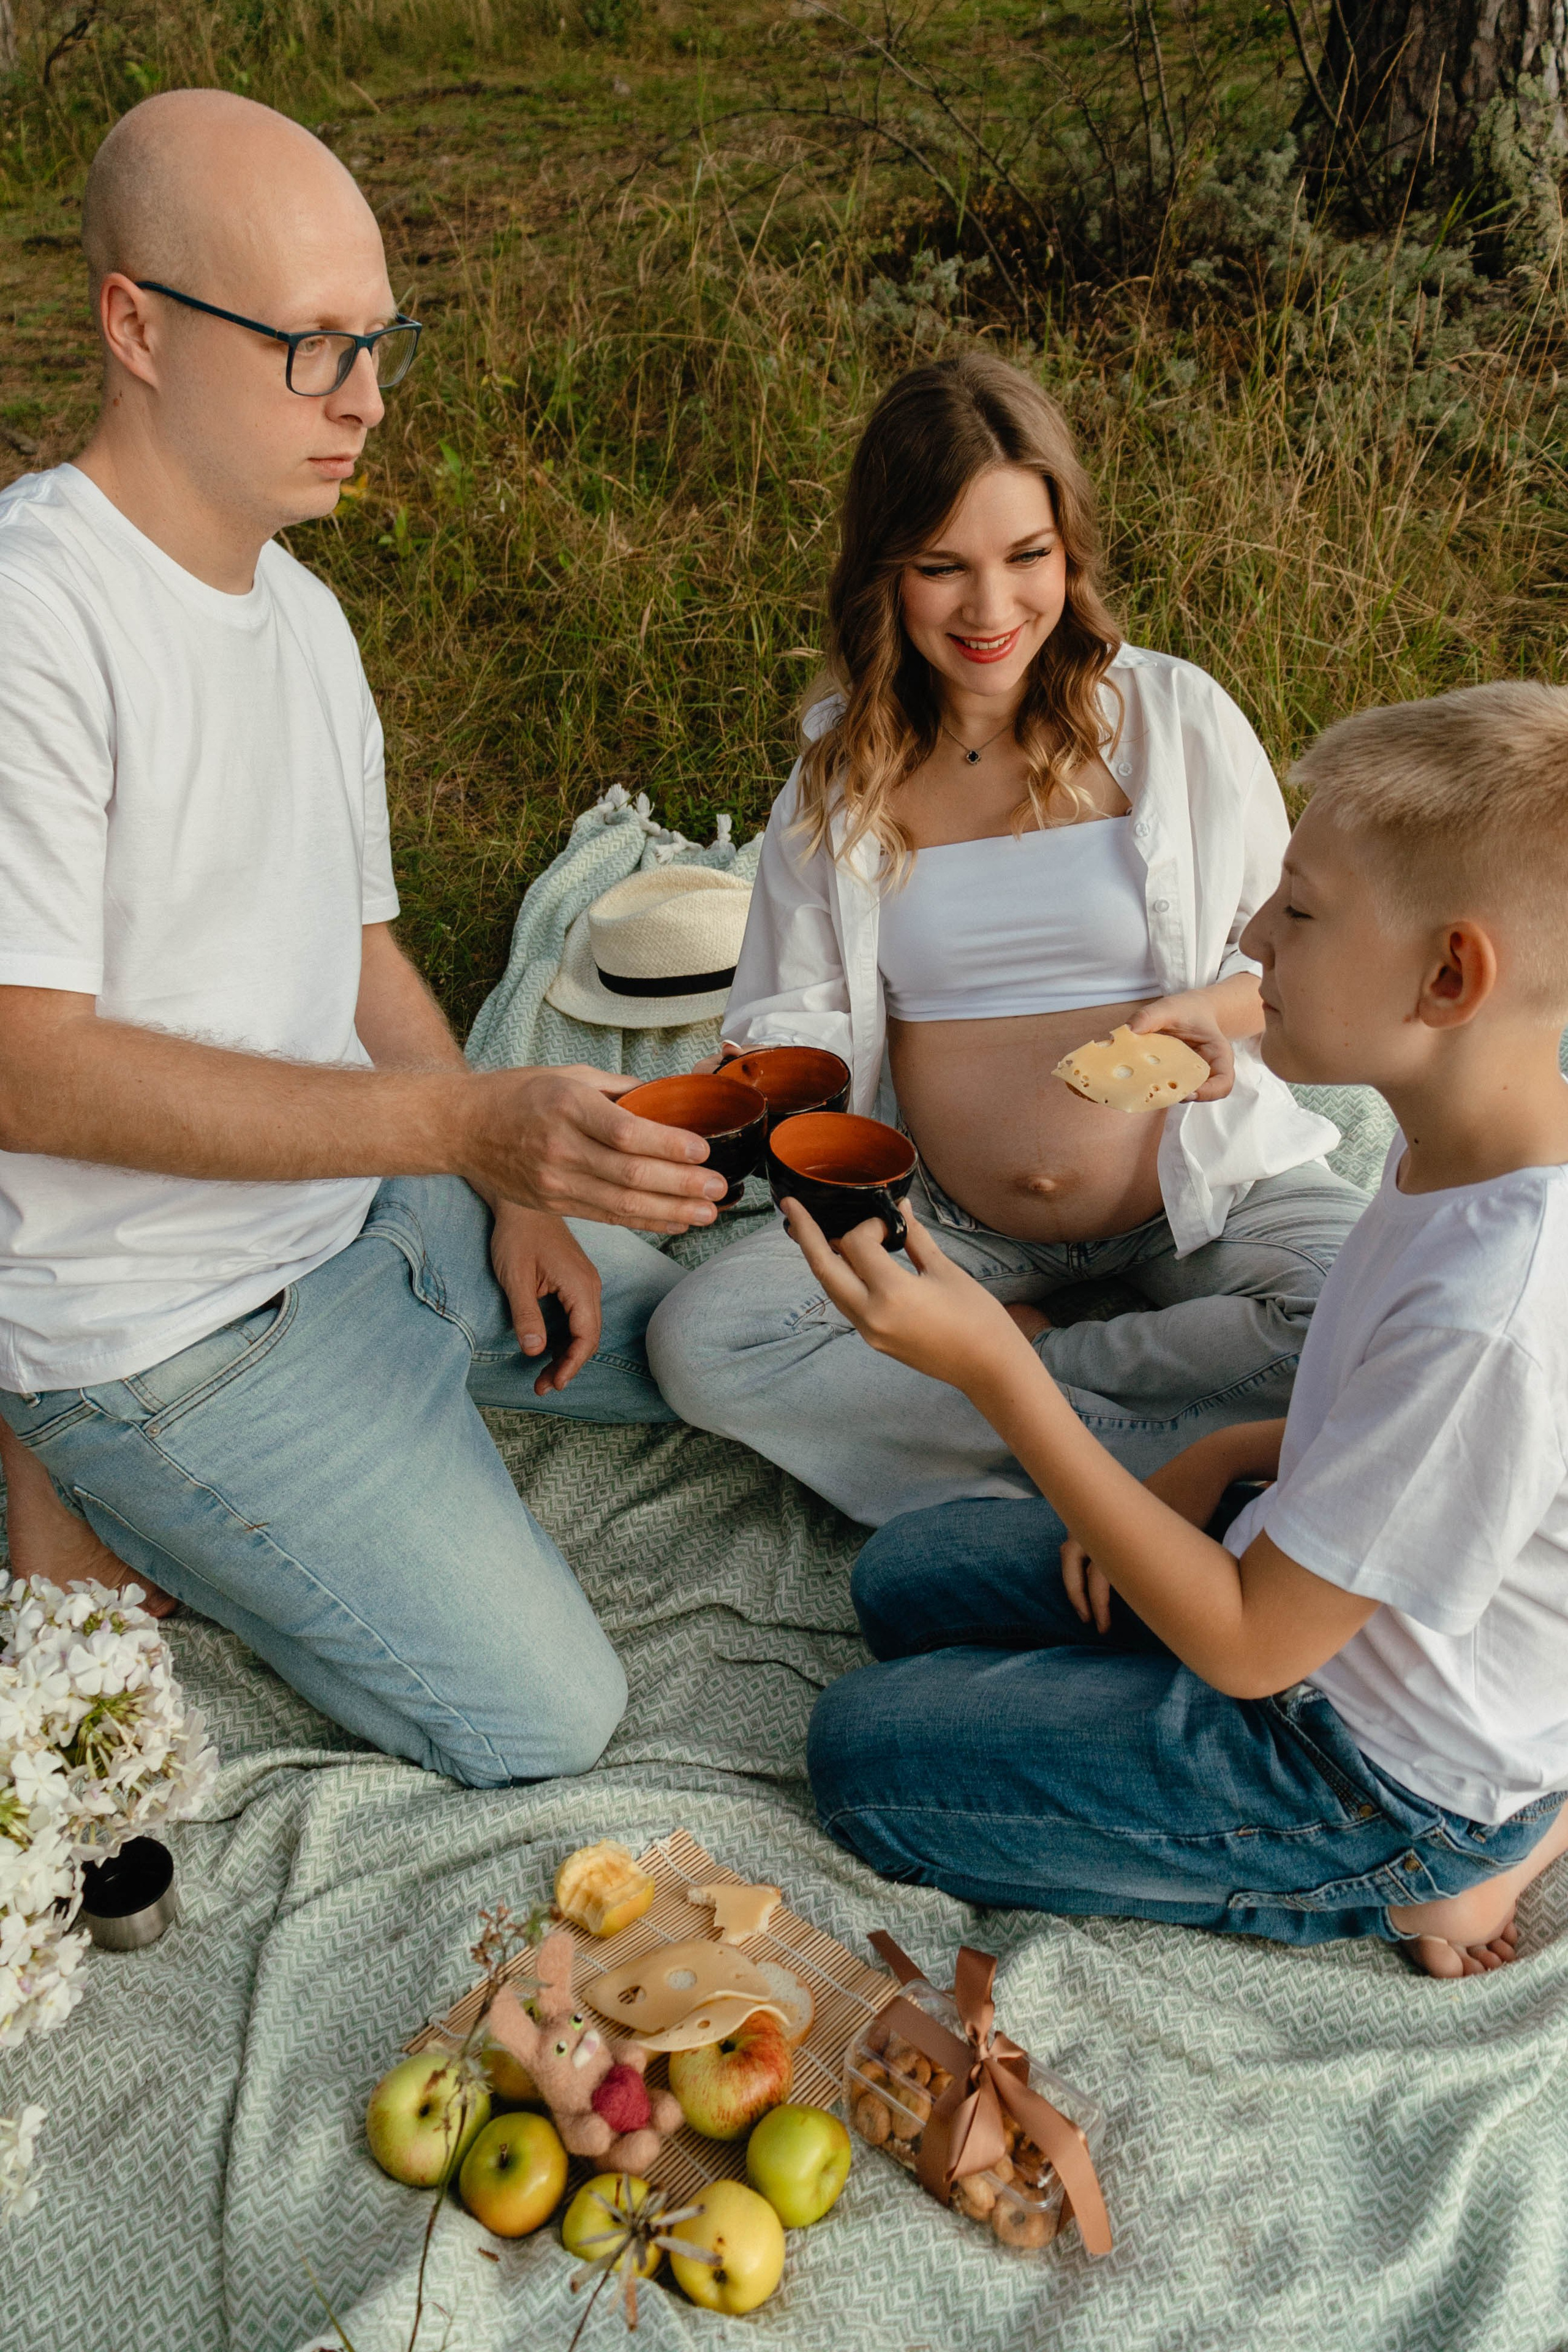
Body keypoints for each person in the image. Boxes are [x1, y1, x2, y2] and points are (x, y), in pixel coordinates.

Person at [0, 90, 733, 1787]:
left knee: (716, 1339)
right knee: (553, 1720)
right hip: (166, 1332)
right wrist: (461, 1128)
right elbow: (24, 1066)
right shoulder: (41, 620)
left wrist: (508, 1183)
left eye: (382, 343)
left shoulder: (305, 617)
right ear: (138, 326)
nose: (372, 402)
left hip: (376, 1208)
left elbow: (358, 953)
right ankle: (59, 1462)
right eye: (315, 349)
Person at [799, 681, 1568, 1981]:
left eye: (1300, 912)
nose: (1251, 935)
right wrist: (1228, 1457)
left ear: (1447, 975)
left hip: (1358, 1748)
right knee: (898, 1581)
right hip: (1318, 1576)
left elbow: (1248, 1646)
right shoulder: (1476, 1126)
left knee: (862, 1759)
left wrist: (997, 1365)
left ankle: (1431, 1878)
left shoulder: (1494, 1311)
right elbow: (1426, 1457)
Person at [648, 355, 1365, 1525]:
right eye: (943, 569)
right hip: (948, 1220)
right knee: (706, 1341)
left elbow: (1292, 949)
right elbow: (793, 1019)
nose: (992, 611)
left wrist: (1219, 1017)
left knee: (1373, 1315)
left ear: (1068, 551)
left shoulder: (1177, 718)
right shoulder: (837, 776)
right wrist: (744, 1123)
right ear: (887, 573)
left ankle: (1022, 1394)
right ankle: (1163, 1464)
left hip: (1205, 1190)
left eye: (1026, 557)